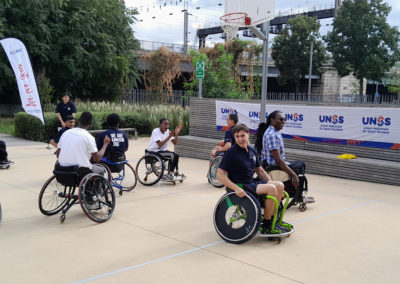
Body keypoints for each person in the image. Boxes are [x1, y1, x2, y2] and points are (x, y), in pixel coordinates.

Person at [216, 124, 287, 234]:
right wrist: (235, 188)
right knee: (272, 189)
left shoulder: (251, 150)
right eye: (237, 136)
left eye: (242, 136)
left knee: (280, 185)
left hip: (250, 183)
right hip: (240, 185)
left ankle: (274, 222)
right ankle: (268, 225)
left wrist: (275, 186)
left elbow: (260, 171)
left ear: (248, 135)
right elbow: (219, 175)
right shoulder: (231, 153)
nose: (240, 139)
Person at [56, 111, 110, 176]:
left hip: (61, 170)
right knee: (100, 170)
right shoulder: (89, 137)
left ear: (78, 120)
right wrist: (105, 144)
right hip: (79, 172)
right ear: (91, 123)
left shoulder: (65, 133)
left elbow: (58, 154)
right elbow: (97, 158)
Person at [260, 110, 300, 188]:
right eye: (281, 119)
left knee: (299, 164)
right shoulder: (272, 135)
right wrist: (293, 175)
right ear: (272, 120)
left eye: (284, 119)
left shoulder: (274, 132)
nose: (283, 121)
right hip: (273, 166)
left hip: (274, 163)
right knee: (300, 166)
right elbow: (278, 160)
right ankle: (296, 192)